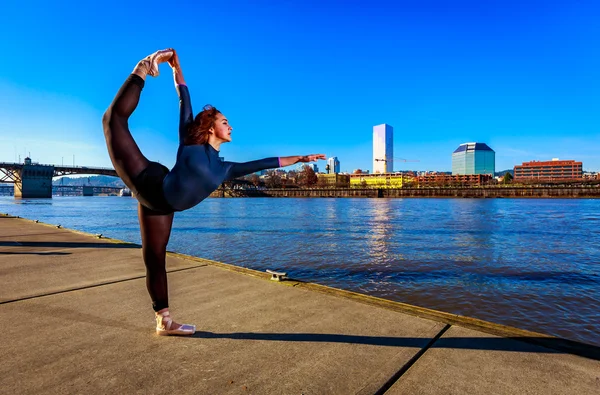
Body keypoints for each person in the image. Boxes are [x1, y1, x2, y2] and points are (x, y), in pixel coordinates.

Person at [102, 49, 325, 336]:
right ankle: (142, 68)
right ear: (210, 127)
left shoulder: (225, 169)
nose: (230, 126)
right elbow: (184, 97)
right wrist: (174, 67)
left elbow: (267, 162)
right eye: (224, 122)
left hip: (162, 205)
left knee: (155, 258)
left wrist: (302, 158)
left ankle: (165, 321)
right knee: (112, 121)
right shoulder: (190, 141)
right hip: (149, 181)